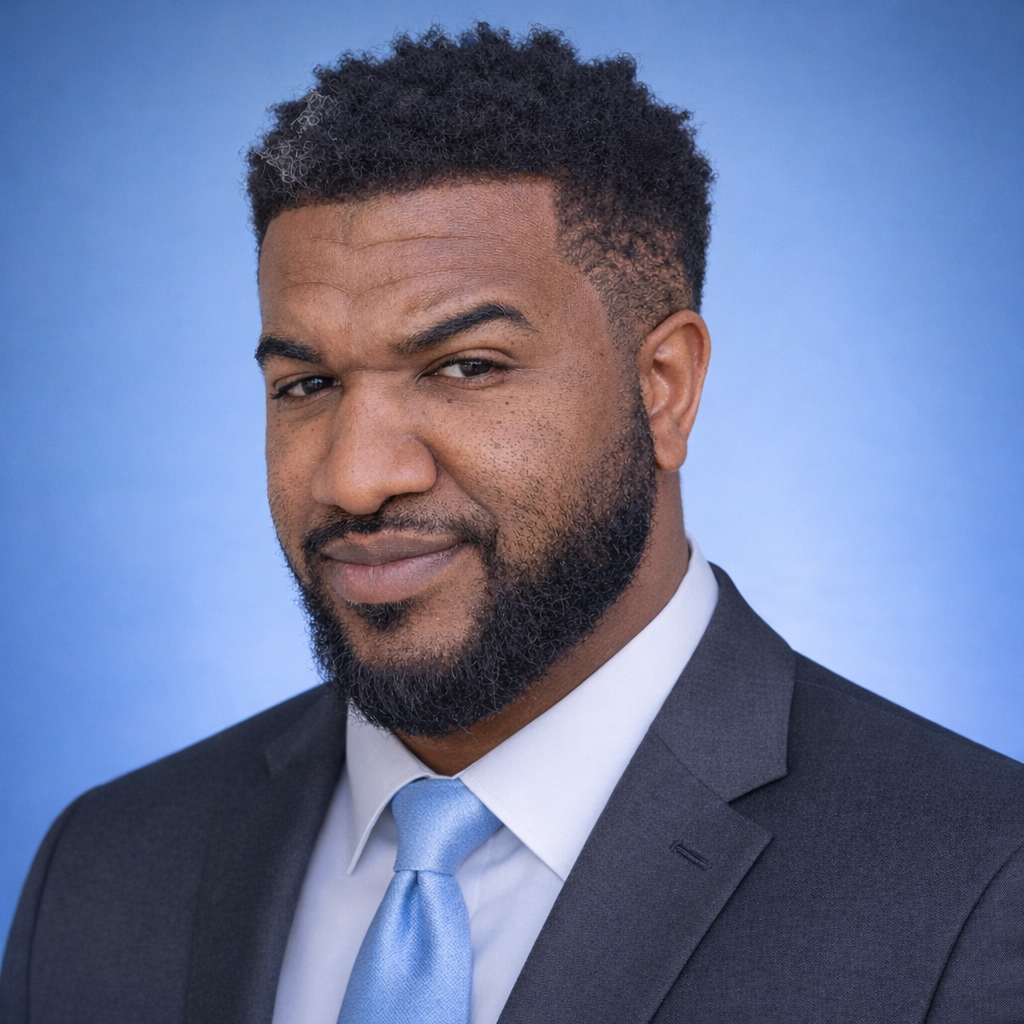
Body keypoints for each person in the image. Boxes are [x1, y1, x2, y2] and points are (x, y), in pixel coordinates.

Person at [2, 24, 1021, 1024]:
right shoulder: (104, 871)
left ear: (662, 388)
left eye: (464, 367)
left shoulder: (976, 886)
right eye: (306, 383)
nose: (358, 479)